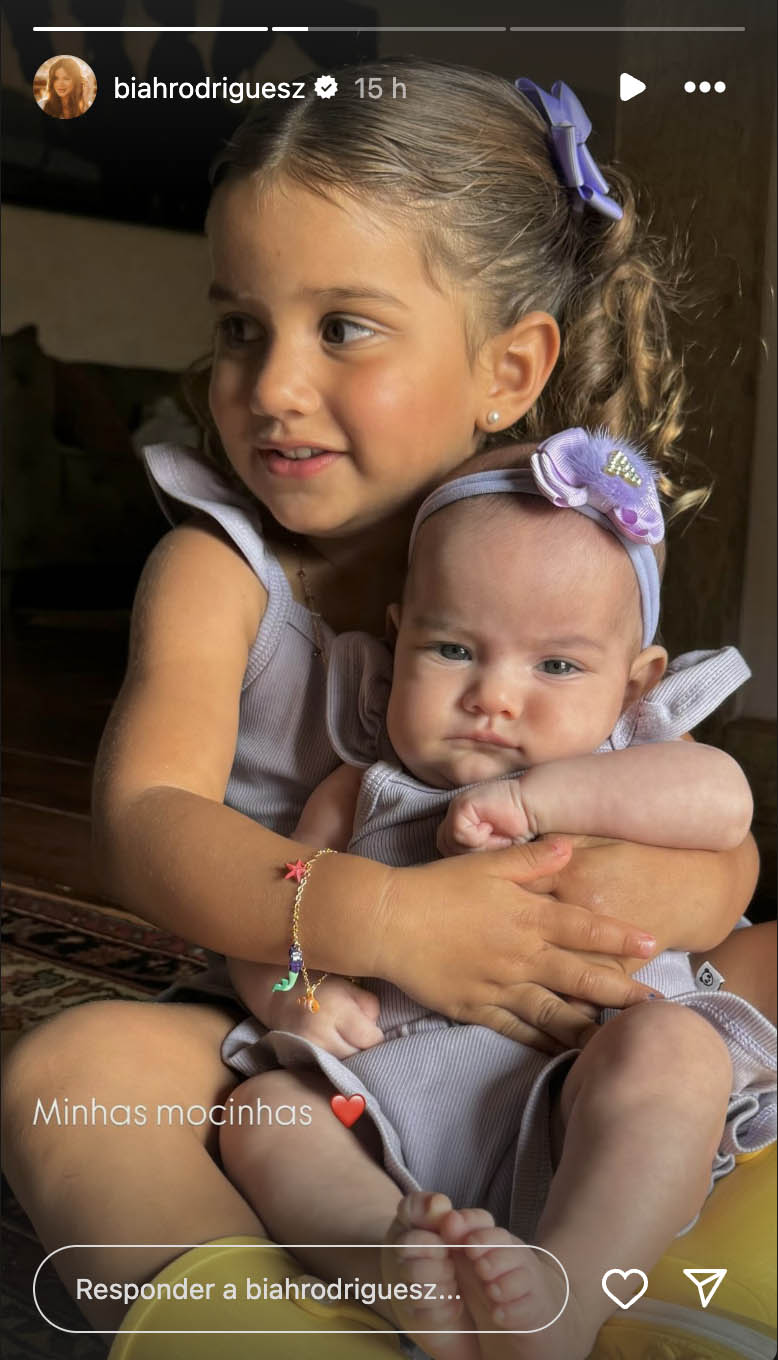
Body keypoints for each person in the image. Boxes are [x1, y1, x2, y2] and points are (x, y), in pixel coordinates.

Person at [1, 61, 766, 1338]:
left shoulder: (553, 546)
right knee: (68, 1081)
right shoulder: (218, 571)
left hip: (559, 1022)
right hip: (316, 1032)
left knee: (744, 983)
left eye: (341, 327)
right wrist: (390, 918)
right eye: (241, 327)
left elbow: (720, 854)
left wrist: (587, 910)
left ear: (508, 369)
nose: (271, 385)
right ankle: (334, 1303)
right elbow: (142, 820)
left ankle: (608, 1294)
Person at [221, 431, 774, 1359]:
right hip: (376, 1112)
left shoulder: (629, 764)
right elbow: (273, 904)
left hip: (580, 1087)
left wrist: (535, 800)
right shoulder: (359, 790)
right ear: (396, 645)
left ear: (636, 683)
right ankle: (392, 1255)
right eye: (452, 648)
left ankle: (570, 1291)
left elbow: (726, 803)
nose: (493, 697)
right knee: (263, 1116)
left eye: (557, 666)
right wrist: (294, 998)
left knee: (676, 1053)